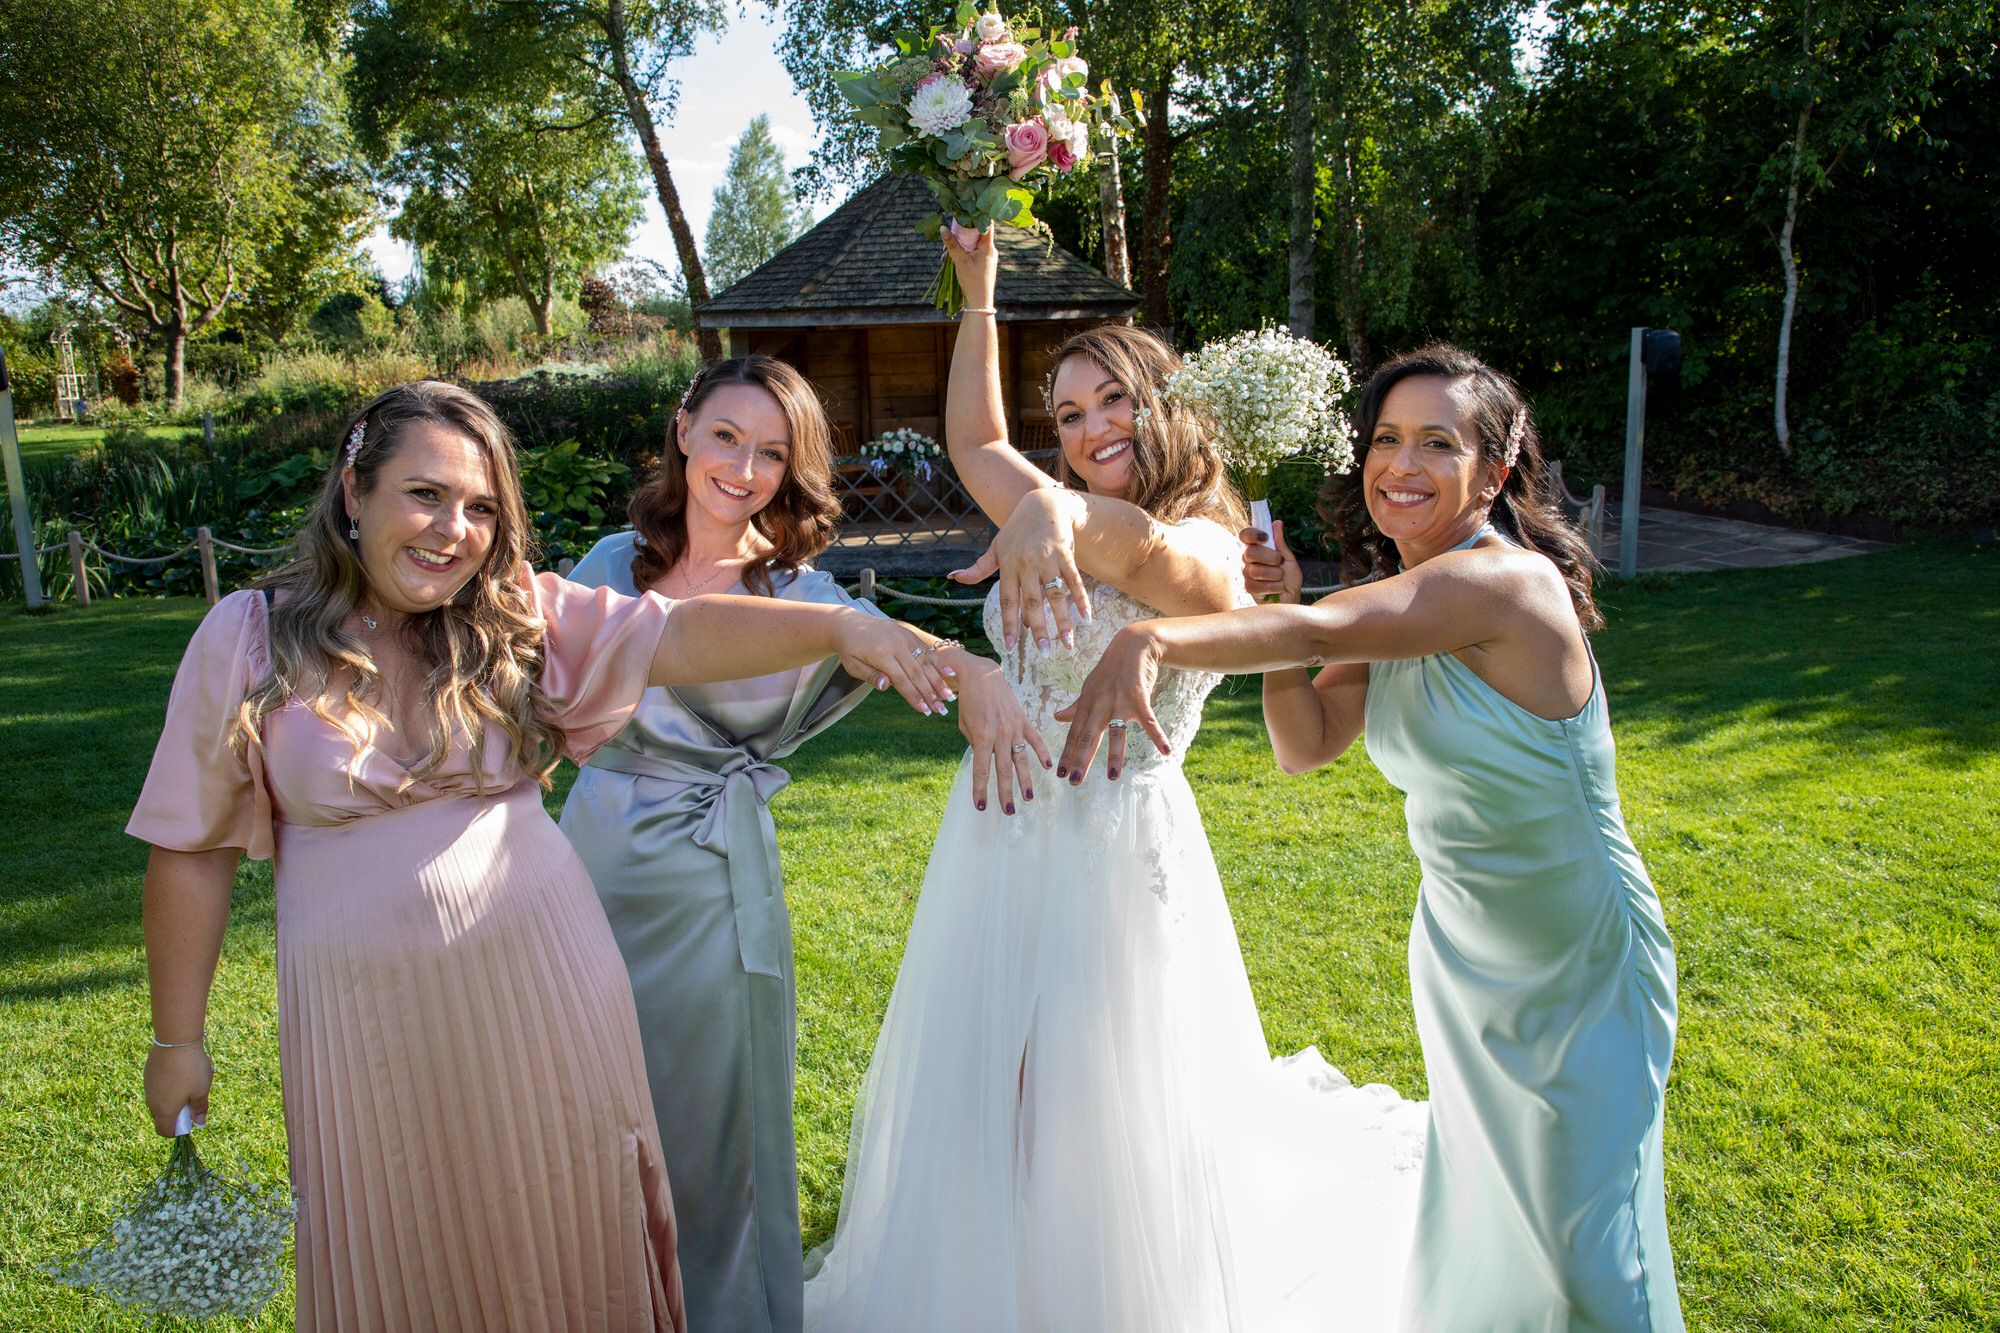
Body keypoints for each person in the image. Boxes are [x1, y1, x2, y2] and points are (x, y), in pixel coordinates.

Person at [130, 380, 955, 1332]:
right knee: (402, 1245)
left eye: (481, 507)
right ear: (354, 489)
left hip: (548, 992)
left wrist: (843, 625)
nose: (453, 530)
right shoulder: (247, 637)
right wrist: (177, 1038)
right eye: (424, 494)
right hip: (364, 1028)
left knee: (567, 1237)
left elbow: (674, 633)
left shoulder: (512, 617)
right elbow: (189, 848)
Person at [802, 235, 1427, 1333]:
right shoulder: (1058, 496)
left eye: (1110, 404)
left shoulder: (1205, 550)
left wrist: (1044, 512)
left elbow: (1129, 551)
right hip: (996, 838)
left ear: (1165, 407)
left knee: (1086, 1103)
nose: (1086, 432)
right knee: (990, 1087)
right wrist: (983, 295)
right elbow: (974, 438)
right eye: (1070, 415)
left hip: (1110, 846)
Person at [1058, 344, 1684, 1331]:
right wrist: (1269, 606)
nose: (1400, 462)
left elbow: (1316, 634)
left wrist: (1153, 636)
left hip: (1573, 964)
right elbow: (1304, 742)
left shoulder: (1505, 587)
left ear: (1495, 468)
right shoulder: (1395, 596)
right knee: (1482, 1231)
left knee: (1585, 1257)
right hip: (1462, 959)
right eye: (1385, 438)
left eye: (1437, 442)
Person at [558, 356, 1044, 1333]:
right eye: (727, 437)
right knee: (584, 1113)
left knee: (715, 1124)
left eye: (771, 453)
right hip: (592, 871)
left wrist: (974, 674)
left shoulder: (800, 591)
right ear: (683, 427)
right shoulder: (606, 566)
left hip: (714, 885)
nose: (743, 468)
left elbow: (892, 638)